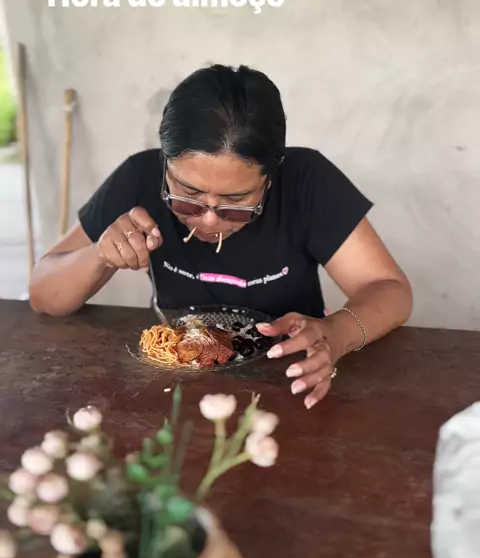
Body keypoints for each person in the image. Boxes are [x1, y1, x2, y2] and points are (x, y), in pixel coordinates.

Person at [29, 63, 413, 409]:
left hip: (289, 377)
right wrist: (100, 255)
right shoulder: (138, 178)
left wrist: (336, 332)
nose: (209, 219)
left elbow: (391, 291)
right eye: (188, 194)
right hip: (179, 376)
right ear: (165, 163)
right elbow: (44, 295)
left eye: (236, 201)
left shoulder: (307, 181)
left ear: (271, 176)